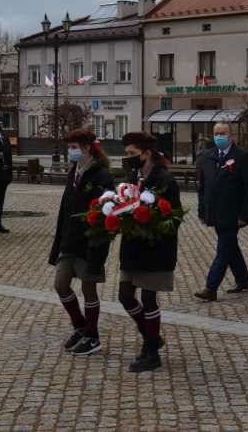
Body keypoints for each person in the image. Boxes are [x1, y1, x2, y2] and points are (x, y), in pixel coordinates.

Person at [117, 132, 182, 373]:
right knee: (125, 295)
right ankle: (153, 338)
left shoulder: (164, 179)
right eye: (126, 154)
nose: (128, 158)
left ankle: (151, 352)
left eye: (132, 154)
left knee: (148, 298)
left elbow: (173, 217)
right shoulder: (134, 176)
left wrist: (152, 224)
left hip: (156, 248)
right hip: (133, 246)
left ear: (146, 153)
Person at [48, 129, 115, 357]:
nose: (70, 151)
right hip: (69, 239)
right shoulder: (74, 172)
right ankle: (80, 326)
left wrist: (98, 243)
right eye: (69, 147)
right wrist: (58, 241)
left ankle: (92, 335)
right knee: (61, 284)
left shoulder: (102, 176)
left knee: (88, 288)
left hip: (90, 242)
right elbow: (65, 208)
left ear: (86, 147)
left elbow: (107, 213)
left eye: (74, 147)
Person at [194, 122, 248, 301]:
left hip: (233, 214)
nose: (219, 136)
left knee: (223, 249)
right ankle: (243, 280)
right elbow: (202, 186)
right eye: (216, 133)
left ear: (231, 135)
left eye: (223, 133)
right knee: (231, 247)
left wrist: (245, 215)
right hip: (214, 212)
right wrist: (202, 210)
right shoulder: (207, 156)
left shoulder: (242, 156)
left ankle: (210, 287)